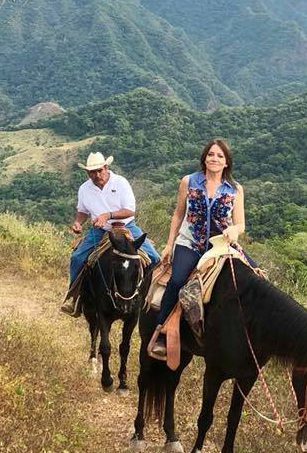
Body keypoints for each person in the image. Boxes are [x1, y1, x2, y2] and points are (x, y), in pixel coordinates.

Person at [151, 139, 246, 356]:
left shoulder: (235, 189)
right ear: (204, 158)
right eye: (211, 154)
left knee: (256, 276)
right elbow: (178, 214)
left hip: (221, 246)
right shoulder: (189, 181)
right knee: (176, 281)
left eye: (220, 156)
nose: (214, 158)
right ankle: (163, 332)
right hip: (190, 243)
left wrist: (235, 230)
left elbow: (240, 223)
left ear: (226, 162)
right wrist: (169, 244)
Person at [60, 152, 160, 315]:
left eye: (100, 170)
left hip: (126, 226)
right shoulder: (84, 189)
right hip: (100, 230)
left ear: (106, 167)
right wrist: (78, 222)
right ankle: (74, 297)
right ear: (87, 172)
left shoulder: (120, 183)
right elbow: (82, 211)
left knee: (154, 258)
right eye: (93, 172)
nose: (97, 174)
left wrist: (108, 215)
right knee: (77, 258)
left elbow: (129, 210)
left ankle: (148, 297)